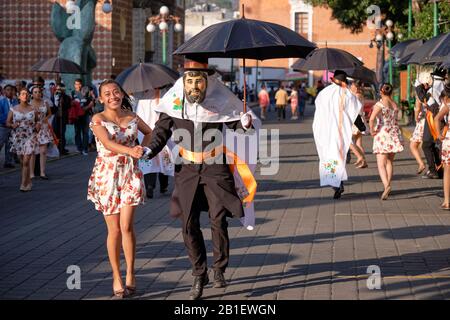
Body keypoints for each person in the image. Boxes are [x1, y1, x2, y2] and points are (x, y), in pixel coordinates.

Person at [145, 58, 258, 300]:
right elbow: (161, 132)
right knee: (188, 223)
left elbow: (239, 125)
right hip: (187, 169)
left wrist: (246, 122)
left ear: (207, 82)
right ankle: (199, 273)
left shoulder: (221, 101)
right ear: (183, 83)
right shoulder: (173, 104)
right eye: (190, 82)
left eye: (199, 81)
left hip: (215, 167)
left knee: (218, 220)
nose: (194, 86)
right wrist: (148, 151)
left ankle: (219, 268)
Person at [87, 79, 152, 299]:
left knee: (127, 226)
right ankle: (116, 275)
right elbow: (107, 143)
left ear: (122, 94)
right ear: (101, 98)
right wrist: (130, 150)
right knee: (114, 229)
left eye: (116, 92)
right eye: (107, 93)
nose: (113, 96)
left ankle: (131, 272)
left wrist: (144, 148)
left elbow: (149, 132)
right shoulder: (98, 119)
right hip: (107, 176)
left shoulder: (132, 116)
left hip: (130, 174)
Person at [312, 70, 361, 199]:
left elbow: (318, 110)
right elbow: (354, 113)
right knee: (338, 156)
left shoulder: (323, 93)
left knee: (328, 157)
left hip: (324, 130)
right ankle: (338, 183)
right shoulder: (348, 94)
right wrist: (362, 127)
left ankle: (337, 184)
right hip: (340, 130)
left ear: (333, 79)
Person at [134, 87, 173, 199]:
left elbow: (139, 118)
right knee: (158, 158)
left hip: (154, 133)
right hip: (159, 132)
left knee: (156, 158)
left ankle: (153, 186)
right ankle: (158, 186)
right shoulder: (167, 96)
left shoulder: (145, 98)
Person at [369, 83, 404, 200]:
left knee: (381, 163)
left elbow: (372, 118)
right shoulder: (395, 104)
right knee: (389, 162)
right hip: (394, 132)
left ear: (381, 91)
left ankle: (386, 185)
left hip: (383, 133)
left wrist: (371, 129)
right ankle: (388, 185)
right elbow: (398, 118)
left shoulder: (380, 104)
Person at [6, 88, 39, 191]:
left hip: (30, 136)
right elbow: (7, 122)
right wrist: (12, 125)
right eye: (23, 94)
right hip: (18, 138)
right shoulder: (13, 108)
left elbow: (37, 121)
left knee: (25, 161)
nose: (25, 95)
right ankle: (28, 182)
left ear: (29, 96)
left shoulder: (33, 109)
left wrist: (38, 126)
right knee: (22, 162)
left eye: (27, 94)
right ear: (19, 96)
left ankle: (23, 185)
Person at [29, 86, 53, 179]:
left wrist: (45, 119)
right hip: (33, 128)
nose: (38, 93)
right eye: (35, 92)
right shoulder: (29, 104)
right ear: (32, 94)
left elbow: (49, 113)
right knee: (33, 152)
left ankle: (42, 172)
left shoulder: (45, 102)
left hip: (43, 128)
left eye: (39, 92)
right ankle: (31, 174)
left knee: (43, 151)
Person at [434, 82, 450, 210]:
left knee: (447, 171)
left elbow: (437, 118)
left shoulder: (448, 106)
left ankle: (447, 201)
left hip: (449, 140)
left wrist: (439, 134)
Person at [349, 80, 368, 168]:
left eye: (352, 85)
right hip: (361, 119)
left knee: (348, 141)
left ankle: (361, 158)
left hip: (356, 120)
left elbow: (351, 108)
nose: (350, 87)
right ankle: (362, 160)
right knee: (358, 143)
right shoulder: (361, 95)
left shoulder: (356, 96)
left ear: (355, 87)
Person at [72, 79, 93, 155]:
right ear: (74, 85)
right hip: (76, 115)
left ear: (82, 85)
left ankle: (85, 149)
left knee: (85, 132)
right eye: (76, 84)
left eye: (79, 84)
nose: (78, 86)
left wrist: (86, 108)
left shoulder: (86, 92)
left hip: (85, 115)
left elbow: (91, 102)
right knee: (77, 131)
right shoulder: (73, 93)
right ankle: (79, 148)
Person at [0, 84, 19, 168]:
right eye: (7, 90)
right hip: (3, 126)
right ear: (4, 91)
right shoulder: (1, 102)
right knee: (0, 144)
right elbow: (0, 115)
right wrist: (8, 122)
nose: (10, 92)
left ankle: (8, 162)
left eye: (11, 90)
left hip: (13, 127)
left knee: (10, 145)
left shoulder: (16, 101)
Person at [52, 83, 71, 155]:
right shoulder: (54, 96)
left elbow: (68, 106)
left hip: (63, 117)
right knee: (55, 132)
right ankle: (56, 148)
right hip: (56, 117)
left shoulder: (67, 97)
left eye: (60, 89)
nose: (58, 91)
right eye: (57, 89)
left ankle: (62, 148)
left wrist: (63, 102)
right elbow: (53, 107)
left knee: (62, 133)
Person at [410, 92, 427, 174]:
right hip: (430, 121)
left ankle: (421, 163)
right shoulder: (431, 93)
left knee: (413, 145)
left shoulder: (419, 96)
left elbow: (417, 108)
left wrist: (416, 118)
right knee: (428, 145)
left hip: (422, 122)